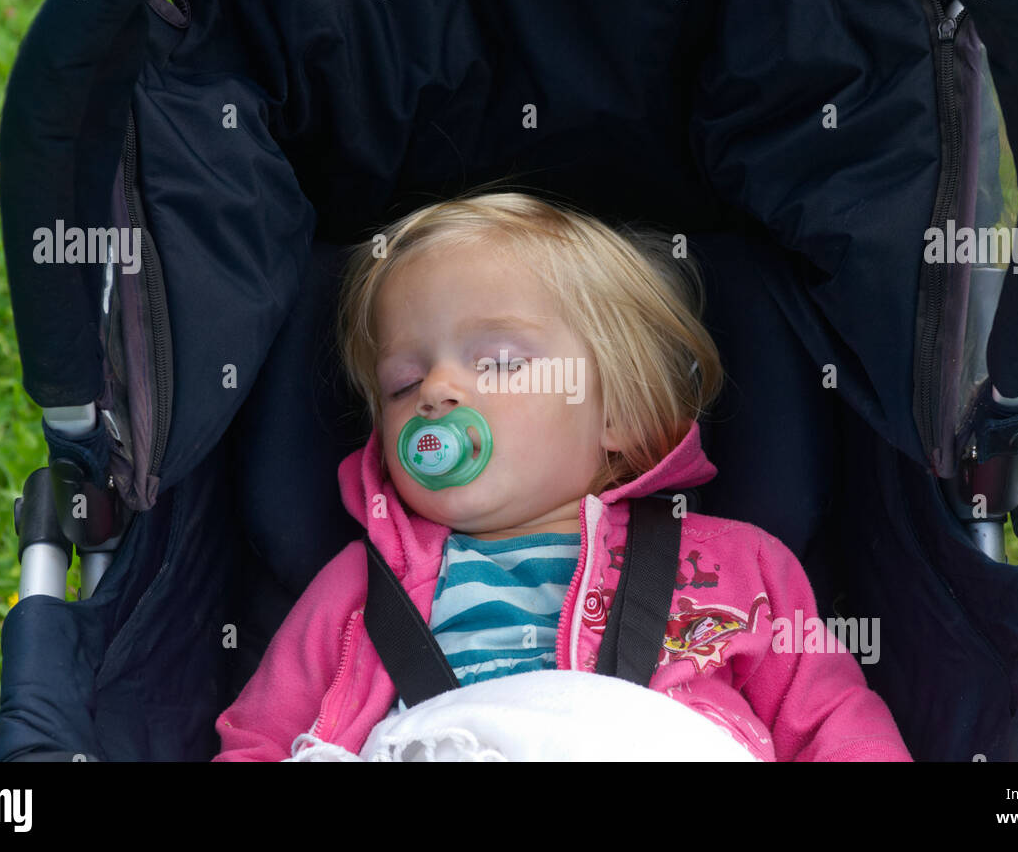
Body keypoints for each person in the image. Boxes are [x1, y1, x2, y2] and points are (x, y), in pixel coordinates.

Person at [213, 189, 912, 761]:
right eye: (402, 382)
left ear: (622, 417)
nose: (436, 392)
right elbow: (260, 737)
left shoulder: (741, 567)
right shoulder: (363, 590)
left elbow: (833, 722)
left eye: (499, 361)